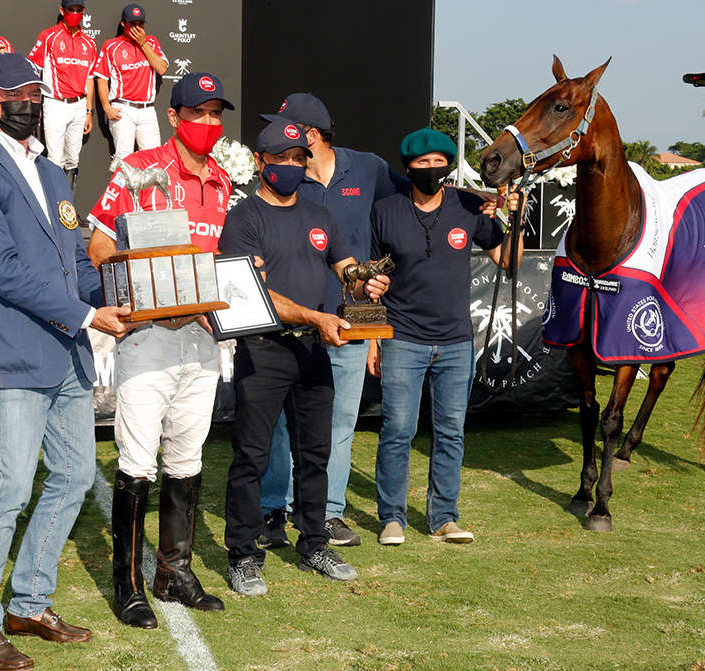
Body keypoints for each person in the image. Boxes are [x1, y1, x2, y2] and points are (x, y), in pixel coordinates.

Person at [0, 53, 135, 671]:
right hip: (19, 350)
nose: (30, 101)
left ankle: (29, 600)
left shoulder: (56, 172)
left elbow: (78, 258)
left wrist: (114, 297)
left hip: (68, 353)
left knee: (76, 477)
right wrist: (87, 316)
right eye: (18, 93)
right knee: (9, 488)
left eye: (36, 90)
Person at [218, 119, 389, 596]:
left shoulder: (319, 215)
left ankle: (314, 541)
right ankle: (243, 553)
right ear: (260, 162)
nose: (291, 167)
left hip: (314, 349)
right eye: (281, 160)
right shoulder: (244, 218)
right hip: (264, 348)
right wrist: (316, 316)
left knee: (314, 453)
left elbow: (346, 268)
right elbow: (255, 295)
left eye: (298, 159)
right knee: (251, 456)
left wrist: (365, 282)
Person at [87, 71, 234, 628]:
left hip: (203, 339)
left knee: (188, 458)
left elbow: (225, 261)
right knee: (136, 461)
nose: (208, 124)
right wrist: (143, 285)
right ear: (175, 117)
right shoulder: (135, 168)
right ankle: (126, 583)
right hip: (148, 338)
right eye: (198, 113)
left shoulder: (224, 179)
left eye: (216, 114)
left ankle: (174, 571)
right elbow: (99, 242)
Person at [256, 92, 403, 549]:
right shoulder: (282, 179)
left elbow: (412, 202)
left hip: (349, 323)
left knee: (340, 423)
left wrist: (475, 204)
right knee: (283, 424)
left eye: (291, 131)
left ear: (312, 135)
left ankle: (328, 513)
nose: (283, 141)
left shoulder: (369, 169)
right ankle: (272, 511)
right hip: (291, 322)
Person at [368, 128, 521, 546]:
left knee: (451, 430)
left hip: (457, 340)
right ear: (408, 168)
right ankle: (392, 518)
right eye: (423, 163)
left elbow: (507, 260)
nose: (433, 169)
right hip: (402, 337)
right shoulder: (385, 211)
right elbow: (373, 279)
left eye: (440, 162)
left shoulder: (470, 206)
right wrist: (373, 339)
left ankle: (443, 518)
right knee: (398, 429)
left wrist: (513, 217)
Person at [27, 0, 97, 186]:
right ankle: (54, 208)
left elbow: (90, 78)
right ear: (62, 10)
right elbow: (34, 68)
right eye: (70, 10)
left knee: (73, 159)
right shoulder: (49, 36)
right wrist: (35, 102)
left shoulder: (89, 43)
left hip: (80, 105)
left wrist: (89, 111)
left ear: (83, 12)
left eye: (78, 10)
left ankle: (68, 208)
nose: (75, 13)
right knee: (55, 159)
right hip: (55, 103)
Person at [93, 3, 167, 161]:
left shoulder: (151, 42)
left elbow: (161, 69)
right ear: (123, 24)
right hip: (122, 109)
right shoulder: (111, 46)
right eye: (132, 24)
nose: (137, 28)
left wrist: (143, 43)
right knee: (124, 161)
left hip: (147, 110)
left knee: (154, 161)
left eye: (140, 24)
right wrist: (107, 107)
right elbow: (102, 79)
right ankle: (120, 187)